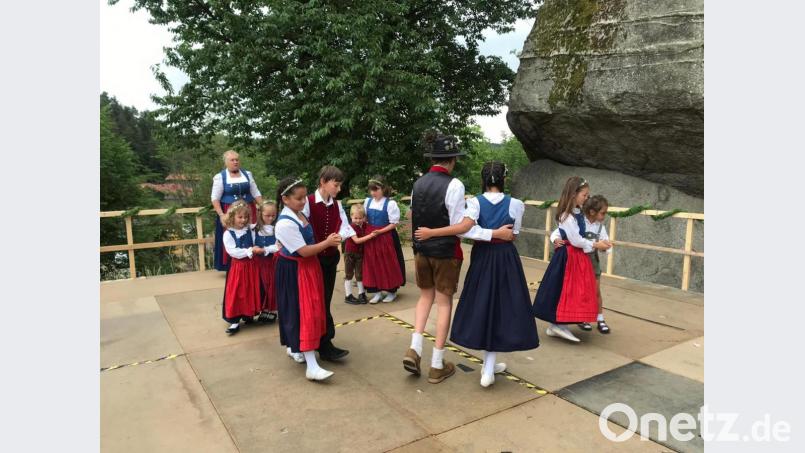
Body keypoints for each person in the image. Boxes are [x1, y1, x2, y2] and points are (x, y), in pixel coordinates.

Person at [404, 131, 514, 384]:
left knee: (424, 298)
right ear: (452, 160)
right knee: (443, 304)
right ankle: (436, 364)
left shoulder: (418, 183)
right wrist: (494, 232)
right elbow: (461, 226)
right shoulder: (454, 185)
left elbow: (412, 217)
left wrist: (423, 238)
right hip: (445, 253)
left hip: (422, 250)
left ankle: (415, 348)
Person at [274, 176, 342, 381]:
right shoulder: (285, 223)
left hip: (307, 268)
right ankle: (312, 366)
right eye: (299, 198)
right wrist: (328, 242)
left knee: (307, 310)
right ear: (285, 199)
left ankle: (295, 347)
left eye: (304, 197)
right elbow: (303, 251)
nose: (304, 201)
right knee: (304, 312)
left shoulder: (299, 213)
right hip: (296, 270)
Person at [532, 177, 611, 343]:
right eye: (584, 195)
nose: (587, 198)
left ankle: (559, 324)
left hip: (577, 257)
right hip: (568, 257)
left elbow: (574, 235)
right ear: (574, 194)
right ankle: (557, 324)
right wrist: (597, 244)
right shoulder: (566, 216)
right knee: (563, 290)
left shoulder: (577, 213)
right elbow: (575, 240)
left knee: (573, 290)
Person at [301, 166, 356, 361]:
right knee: (313, 302)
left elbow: (345, 226)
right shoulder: (306, 203)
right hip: (311, 260)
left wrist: (338, 237)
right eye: (336, 184)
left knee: (324, 300)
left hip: (330, 259)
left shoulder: (337, 205)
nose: (339, 189)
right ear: (323, 181)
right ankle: (316, 343)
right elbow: (301, 228)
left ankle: (323, 343)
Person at [551, 194, 613, 334]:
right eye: (603, 213)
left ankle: (600, 318)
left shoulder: (599, 227)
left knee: (596, 291)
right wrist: (555, 239)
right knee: (581, 291)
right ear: (592, 212)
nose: (605, 215)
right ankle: (582, 318)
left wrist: (607, 247)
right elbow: (558, 232)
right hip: (578, 261)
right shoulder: (579, 222)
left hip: (592, 262)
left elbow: (606, 242)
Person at [211, 150, 262, 271]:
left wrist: (263, 206)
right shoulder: (220, 177)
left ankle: (256, 260)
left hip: (249, 210)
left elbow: (255, 192)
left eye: (237, 159)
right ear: (226, 162)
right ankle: (231, 265)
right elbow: (215, 198)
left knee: (251, 233)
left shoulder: (247, 174)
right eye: (232, 160)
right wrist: (221, 215)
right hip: (230, 212)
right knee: (232, 236)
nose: (235, 162)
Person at [221, 200, 263, 335]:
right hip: (238, 268)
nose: (243, 220)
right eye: (240, 217)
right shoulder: (229, 234)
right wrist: (250, 250)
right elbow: (233, 252)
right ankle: (234, 320)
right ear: (232, 216)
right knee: (237, 292)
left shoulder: (250, 230)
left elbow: (262, 227)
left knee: (250, 289)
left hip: (251, 267)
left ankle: (248, 314)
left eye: (246, 217)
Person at [362, 175, 405, 304]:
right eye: (371, 190)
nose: (373, 193)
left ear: (383, 188)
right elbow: (365, 219)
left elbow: (394, 223)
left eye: (376, 189)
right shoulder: (367, 201)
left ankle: (391, 291)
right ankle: (377, 292)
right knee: (372, 264)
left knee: (388, 263)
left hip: (385, 237)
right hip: (371, 237)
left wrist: (380, 231)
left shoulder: (390, 203)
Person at [343, 204, 378, 305]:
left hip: (360, 253)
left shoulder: (364, 225)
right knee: (349, 274)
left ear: (364, 218)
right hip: (350, 253)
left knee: (360, 274)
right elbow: (357, 240)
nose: (358, 220)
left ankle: (361, 293)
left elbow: (371, 228)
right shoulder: (350, 227)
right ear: (351, 217)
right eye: (355, 218)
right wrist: (370, 236)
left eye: (360, 218)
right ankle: (348, 295)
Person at [253, 201, 280, 323]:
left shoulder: (278, 228)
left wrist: (265, 249)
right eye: (267, 215)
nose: (270, 218)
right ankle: (264, 309)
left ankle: (273, 309)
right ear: (260, 214)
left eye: (273, 215)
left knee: (272, 285)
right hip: (259, 263)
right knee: (262, 286)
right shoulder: (254, 229)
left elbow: (278, 246)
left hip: (272, 262)